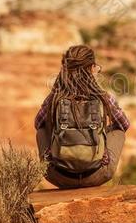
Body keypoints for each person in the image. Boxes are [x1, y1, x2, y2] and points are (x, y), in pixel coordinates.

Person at [34, 45, 129, 188]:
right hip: (97, 176)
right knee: (118, 131)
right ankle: (100, 161)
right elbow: (124, 124)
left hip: (59, 177)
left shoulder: (55, 97)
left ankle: (55, 162)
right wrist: (102, 130)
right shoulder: (103, 97)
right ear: (92, 68)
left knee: (41, 130)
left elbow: (38, 124)